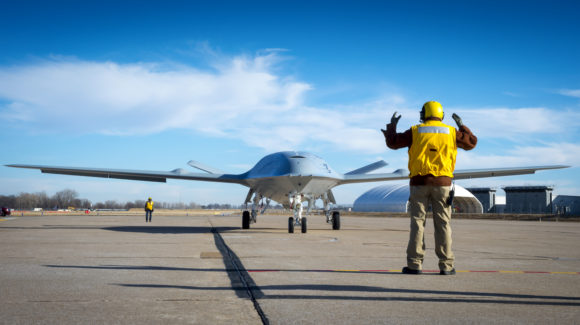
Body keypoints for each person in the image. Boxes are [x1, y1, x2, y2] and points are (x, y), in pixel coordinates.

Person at [382, 101, 477, 275]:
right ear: (441, 115)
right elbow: (471, 143)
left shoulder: (415, 131)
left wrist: (392, 127)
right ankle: (446, 266)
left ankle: (414, 265)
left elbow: (393, 143)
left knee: (418, 223)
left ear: (423, 114)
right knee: (443, 224)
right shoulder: (451, 132)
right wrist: (462, 125)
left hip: (419, 183)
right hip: (443, 184)